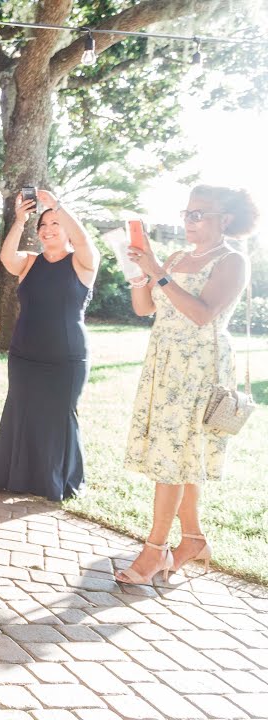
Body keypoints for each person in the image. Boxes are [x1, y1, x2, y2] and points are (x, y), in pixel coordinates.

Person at [115, 185, 258, 585]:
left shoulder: (232, 261)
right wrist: (139, 273)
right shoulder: (176, 257)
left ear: (224, 219)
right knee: (181, 457)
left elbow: (202, 314)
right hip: (164, 363)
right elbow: (145, 308)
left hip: (199, 368)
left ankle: (154, 551)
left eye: (199, 213)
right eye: (187, 213)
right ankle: (192, 540)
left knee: (173, 460)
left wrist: (159, 272)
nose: (189, 221)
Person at [0, 190, 99, 500]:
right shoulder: (29, 263)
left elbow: (86, 242)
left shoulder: (82, 263)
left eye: (56, 224)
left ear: (66, 229)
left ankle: (59, 482)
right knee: (21, 412)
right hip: (25, 355)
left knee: (61, 415)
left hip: (66, 357)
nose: (49, 229)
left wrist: (58, 206)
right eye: (44, 225)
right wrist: (21, 219)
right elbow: (7, 257)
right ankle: (17, 478)